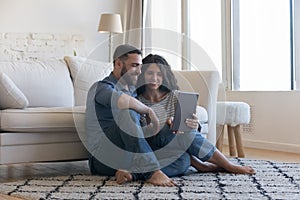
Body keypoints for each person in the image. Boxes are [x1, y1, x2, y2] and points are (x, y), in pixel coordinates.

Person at [85, 44, 191, 187]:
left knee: (183, 159)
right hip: (103, 157)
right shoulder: (101, 87)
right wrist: (148, 110)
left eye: (140, 66)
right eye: (134, 66)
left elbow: (138, 131)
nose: (139, 71)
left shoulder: (133, 91)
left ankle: (132, 174)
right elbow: (123, 101)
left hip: (130, 154)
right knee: (128, 112)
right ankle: (151, 171)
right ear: (118, 64)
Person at [136, 54, 256, 174]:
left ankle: (137, 173)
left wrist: (194, 124)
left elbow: (189, 128)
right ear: (142, 74)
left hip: (174, 146)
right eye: (150, 73)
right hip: (153, 146)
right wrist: (164, 125)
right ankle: (224, 166)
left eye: (159, 74)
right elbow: (139, 133)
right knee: (179, 135)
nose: (154, 78)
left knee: (183, 161)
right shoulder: (137, 101)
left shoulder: (175, 96)